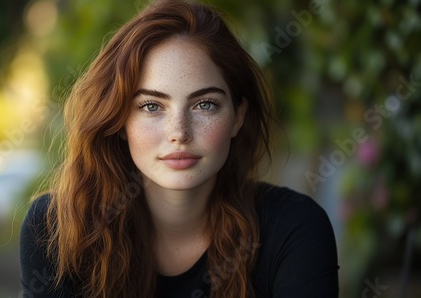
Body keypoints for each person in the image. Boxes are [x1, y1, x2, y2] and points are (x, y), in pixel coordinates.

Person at [19, 0, 339, 297]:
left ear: (238, 116)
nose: (179, 133)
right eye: (151, 106)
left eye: (204, 104)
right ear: (118, 119)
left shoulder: (293, 230)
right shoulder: (57, 230)